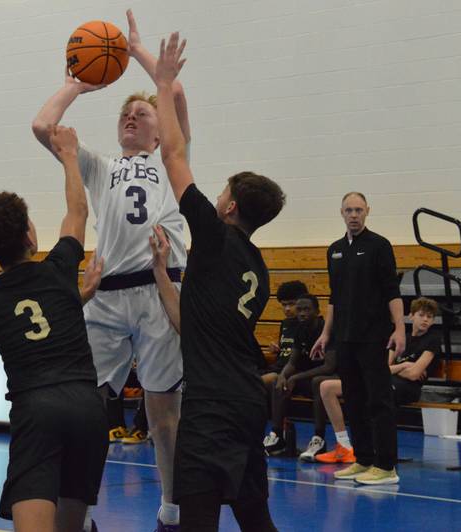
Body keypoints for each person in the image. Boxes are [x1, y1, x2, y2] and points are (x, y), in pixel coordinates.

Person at [32, 11, 189, 530]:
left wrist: (140, 53)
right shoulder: (99, 165)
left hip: (159, 291)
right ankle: (79, 512)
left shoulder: (170, 160)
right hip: (105, 295)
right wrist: (75, 83)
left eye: (142, 112)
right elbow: (42, 127)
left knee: (164, 415)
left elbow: (177, 95)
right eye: (127, 113)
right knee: (87, 409)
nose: (132, 117)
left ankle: (170, 508)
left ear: (155, 128)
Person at [155, 32, 285, 531]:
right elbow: (194, 326)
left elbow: (173, 156)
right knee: (255, 517)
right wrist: (162, 275)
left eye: (224, 189)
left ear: (228, 207)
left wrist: (164, 85)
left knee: (199, 520)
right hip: (247, 402)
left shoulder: (212, 236)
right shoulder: (258, 269)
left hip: (210, 409)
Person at [0, 125, 108, 532]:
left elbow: (27, 325)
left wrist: (74, 298)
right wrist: (68, 156)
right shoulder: (59, 270)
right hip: (86, 406)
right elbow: (77, 212)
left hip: (37, 411)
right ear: (31, 234)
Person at [311, 192, 405, 485]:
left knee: (378, 400)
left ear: (367, 212)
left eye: (359, 210)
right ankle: (363, 459)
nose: (354, 215)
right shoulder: (335, 250)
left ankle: (386, 466)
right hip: (345, 338)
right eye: (349, 210)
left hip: (373, 336)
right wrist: (326, 334)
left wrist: (399, 329)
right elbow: (334, 299)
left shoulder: (379, 246)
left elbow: (392, 291)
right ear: (341, 212)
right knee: (353, 400)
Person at [314, 297, 442, 464]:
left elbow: (414, 374)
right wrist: (404, 366)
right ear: (411, 316)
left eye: (430, 317)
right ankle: (343, 445)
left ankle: (374, 450)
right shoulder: (402, 337)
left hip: (407, 388)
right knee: (326, 387)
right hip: (386, 380)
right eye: (422, 315)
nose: (425, 320)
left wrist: (399, 368)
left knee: (372, 396)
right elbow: (384, 367)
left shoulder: (432, 340)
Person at [263, 294, 337, 457]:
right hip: (307, 377)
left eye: (307, 309)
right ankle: (277, 436)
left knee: (319, 383)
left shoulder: (327, 330)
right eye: (300, 309)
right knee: (278, 380)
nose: (302, 313)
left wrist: (295, 377)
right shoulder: (300, 330)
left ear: (317, 311)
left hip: (332, 377)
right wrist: (283, 375)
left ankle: (319, 439)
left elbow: (329, 367)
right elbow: (292, 362)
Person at [261, 281, 309, 386]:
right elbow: (285, 351)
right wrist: (277, 349)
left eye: (291, 304)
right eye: (284, 305)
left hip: (295, 372)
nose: (287, 309)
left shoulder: (307, 325)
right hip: (278, 367)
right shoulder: (285, 323)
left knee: (263, 380)